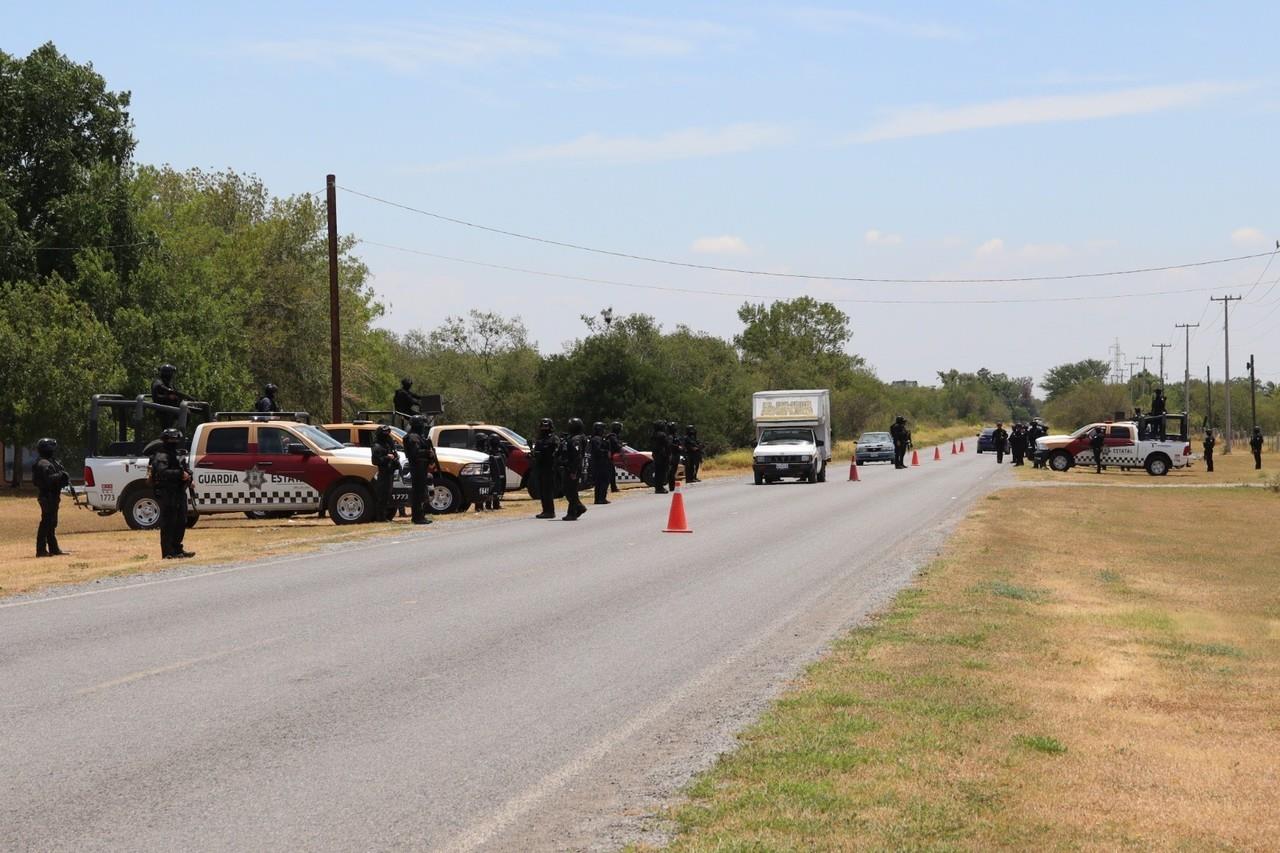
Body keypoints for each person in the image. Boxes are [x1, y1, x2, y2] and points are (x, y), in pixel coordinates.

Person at [150, 428, 194, 558]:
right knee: (169, 522)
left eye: (175, 439)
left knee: (181, 521)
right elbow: (162, 473)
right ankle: (167, 552)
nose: (173, 442)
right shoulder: (160, 456)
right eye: (171, 439)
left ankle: (177, 549)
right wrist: (181, 474)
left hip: (180, 492)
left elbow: (186, 470)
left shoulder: (178, 455)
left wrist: (188, 477)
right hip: (167, 492)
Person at [32, 437, 70, 557]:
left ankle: (53, 548)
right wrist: (60, 476)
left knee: (52, 523)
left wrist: (63, 478)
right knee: (46, 522)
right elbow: (47, 480)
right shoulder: (43, 464)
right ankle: (41, 550)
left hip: (53, 496)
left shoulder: (49, 461)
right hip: (47, 496)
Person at [403, 415, 435, 525]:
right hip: (417, 468)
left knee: (421, 492)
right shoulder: (413, 437)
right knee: (418, 493)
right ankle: (417, 517)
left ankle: (420, 515)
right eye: (422, 424)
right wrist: (427, 453)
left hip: (422, 468)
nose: (423, 426)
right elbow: (415, 453)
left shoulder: (418, 436)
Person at [561, 418, 588, 520]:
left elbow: (577, 456)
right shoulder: (574, 437)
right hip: (571, 467)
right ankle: (576, 509)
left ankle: (575, 511)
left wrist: (573, 471)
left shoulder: (576, 439)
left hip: (573, 468)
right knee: (569, 490)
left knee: (570, 490)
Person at [532, 418, 560, 518]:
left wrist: (546, 453)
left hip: (549, 467)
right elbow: (536, 452)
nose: (544, 428)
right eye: (543, 426)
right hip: (540, 467)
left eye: (546, 426)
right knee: (542, 490)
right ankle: (545, 510)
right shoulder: (539, 439)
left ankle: (550, 511)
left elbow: (556, 453)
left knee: (548, 490)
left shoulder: (553, 439)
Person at [370, 424, 399, 521]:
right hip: (383, 473)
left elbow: (394, 454)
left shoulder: (388, 443)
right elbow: (375, 461)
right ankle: (380, 517)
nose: (387, 435)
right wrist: (387, 457)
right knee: (382, 496)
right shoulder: (377, 446)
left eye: (388, 433)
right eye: (385, 433)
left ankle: (386, 516)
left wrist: (395, 457)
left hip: (390, 472)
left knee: (387, 495)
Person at [589, 421, 612, 505]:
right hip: (600, 463)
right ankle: (601, 498)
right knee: (603, 480)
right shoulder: (596, 439)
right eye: (603, 429)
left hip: (599, 463)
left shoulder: (597, 438)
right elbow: (598, 450)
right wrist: (606, 452)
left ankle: (599, 498)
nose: (604, 431)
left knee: (600, 481)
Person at [487, 434, 507, 510]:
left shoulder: (495, 452)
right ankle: (491, 505)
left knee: (495, 488)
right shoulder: (490, 453)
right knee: (494, 488)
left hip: (496, 474)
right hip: (494, 474)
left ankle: (494, 504)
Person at [650, 420, 670, 494]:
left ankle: (657, 487)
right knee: (662, 471)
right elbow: (667, 445)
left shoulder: (653, 434)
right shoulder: (662, 435)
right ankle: (660, 487)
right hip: (662, 455)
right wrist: (668, 454)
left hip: (656, 455)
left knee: (657, 471)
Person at [607, 421, 623, 493]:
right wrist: (621, 446)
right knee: (611, 473)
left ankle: (613, 487)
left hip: (609, 458)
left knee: (611, 473)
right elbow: (616, 445)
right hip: (607, 458)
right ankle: (613, 488)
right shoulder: (612, 436)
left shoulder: (612, 436)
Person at [666, 420, 682, 491]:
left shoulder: (675, 435)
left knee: (674, 471)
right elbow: (669, 445)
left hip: (676, 454)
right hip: (673, 455)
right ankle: (671, 486)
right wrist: (677, 447)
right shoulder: (670, 436)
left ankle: (672, 485)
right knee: (672, 471)